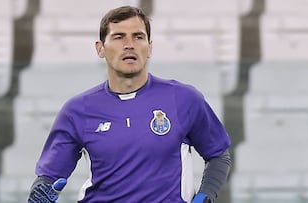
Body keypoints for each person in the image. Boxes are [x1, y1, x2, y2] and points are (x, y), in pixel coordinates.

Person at [27, 5, 231, 203]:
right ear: (100, 48)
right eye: (118, 37)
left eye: (138, 36)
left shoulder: (183, 98)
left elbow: (218, 156)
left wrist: (205, 197)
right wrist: (40, 194)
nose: (129, 44)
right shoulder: (78, 110)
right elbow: (48, 178)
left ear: (149, 48)